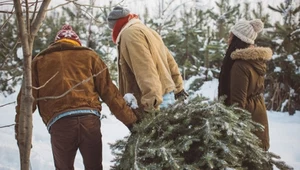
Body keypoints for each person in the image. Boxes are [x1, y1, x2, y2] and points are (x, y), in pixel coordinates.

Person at [15, 25, 137, 170]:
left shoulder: (39, 61)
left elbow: (25, 101)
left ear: (55, 43)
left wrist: (21, 134)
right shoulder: (90, 56)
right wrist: (132, 122)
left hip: (60, 124)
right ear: (77, 43)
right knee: (94, 167)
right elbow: (110, 93)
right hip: (89, 121)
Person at [107, 6, 188, 119]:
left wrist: (151, 103)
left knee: (156, 136)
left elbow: (145, 69)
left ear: (116, 25)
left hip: (153, 101)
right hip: (165, 95)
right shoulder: (148, 31)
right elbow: (169, 60)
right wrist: (179, 86)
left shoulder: (130, 34)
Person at [218, 19, 272, 151]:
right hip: (259, 113)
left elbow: (238, 104)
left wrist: (233, 130)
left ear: (237, 39)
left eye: (231, 35)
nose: (228, 39)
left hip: (247, 120)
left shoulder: (240, 65)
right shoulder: (256, 60)